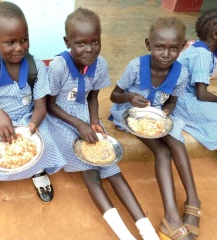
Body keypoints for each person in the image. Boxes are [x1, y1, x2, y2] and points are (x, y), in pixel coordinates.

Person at [46, 7, 159, 240]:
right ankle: (123, 234)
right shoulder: (58, 66)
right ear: (68, 41)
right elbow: (49, 105)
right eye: (81, 43)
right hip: (60, 120)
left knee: (111, 166)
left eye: (95, 42)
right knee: (90, 168)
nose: (89, 49)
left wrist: (94, 122)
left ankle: (147, 230)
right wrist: (79, 124)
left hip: (86, 116)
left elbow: (93, 97)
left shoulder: (101, 64)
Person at [0, 1, 67, 216]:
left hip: (27, 118)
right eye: (11, 42)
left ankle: (38, 171)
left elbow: (41, 105)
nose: (19, 47)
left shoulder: (36, 67)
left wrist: (32, 124)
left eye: (24, 39)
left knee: (43, 143)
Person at [110, 17, 201, 239]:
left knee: (176, 142)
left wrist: (166, 113)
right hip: (127, 113)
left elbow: (171, 102)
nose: (165, 54)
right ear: (148, 44)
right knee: (163, 151)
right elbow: (114, 95)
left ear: (183, 47)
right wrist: (130, 97)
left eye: (173, 49)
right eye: (159, 47)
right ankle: (171, 217)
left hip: (157, 115)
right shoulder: (135, 66)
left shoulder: (181, 73)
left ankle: (193, 199)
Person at [173, 8, 217, 151]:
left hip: (180, 98)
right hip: (182, 101)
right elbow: (202, 94)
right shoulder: (202, 54)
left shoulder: (199, 48)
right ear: (215, 34)